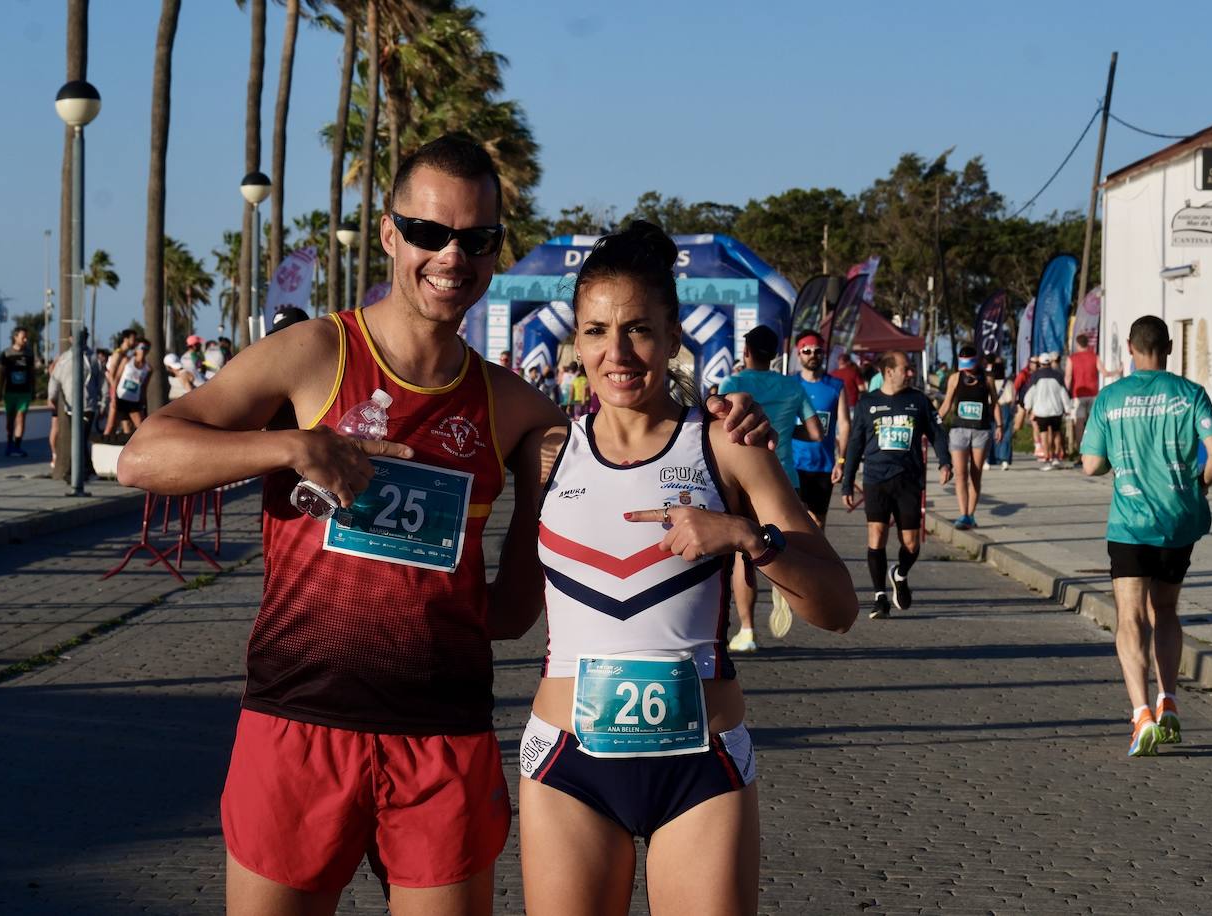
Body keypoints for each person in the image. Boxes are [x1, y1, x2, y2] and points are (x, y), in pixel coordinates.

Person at [115, 135, 771, 915]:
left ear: (496, 253)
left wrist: (725, 422)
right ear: (391, 234)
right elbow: (142, 457)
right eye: (429, 232)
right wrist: (296, 446)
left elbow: (524, 595)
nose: (450, 256)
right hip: (297, 719)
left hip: (442, 737)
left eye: (476, 239)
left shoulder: (519, 409)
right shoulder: (314, 355)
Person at [512, 221, 858, 916]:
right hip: (566, 769)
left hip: (701, 768)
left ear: (674, 337)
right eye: (596, 331)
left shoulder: (727, 443)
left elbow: (839, 606)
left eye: (639, 329)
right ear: (574, 342)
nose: (617, 352)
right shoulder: (543, 450)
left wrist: (743, 536)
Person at [1080, 316, 1212, 757]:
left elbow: (1091, 465)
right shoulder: (1190, 394)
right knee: (1165, 610)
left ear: (1129, 347)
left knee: (1130, 618)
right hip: (1178, 521)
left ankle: (1142, 714)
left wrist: (1114, 463)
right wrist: (1197, 485)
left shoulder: (1110, 399)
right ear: (1167, 346)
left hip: (1129, 524)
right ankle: (1170, 702)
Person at [718, 324, 822, 653]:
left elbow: (722, 431)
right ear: (775, 355)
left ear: (746, 353)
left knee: (743, 558)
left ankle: (747, 630)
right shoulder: (792, 386)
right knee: (784, 544)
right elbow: (817, 432)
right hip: (785, 475)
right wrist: (785, 435)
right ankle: (782, 580)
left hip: (744, 479)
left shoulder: (733, 384)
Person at [843, 350, 952, 619]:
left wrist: (945, 462)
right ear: (889, 372)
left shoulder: (919, 401)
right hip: (876, 479)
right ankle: (880, 597)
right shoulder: (868, 402)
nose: (912, 373)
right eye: (907, 368)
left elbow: (937, 433)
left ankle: (899, 574)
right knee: (876, 536)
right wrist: (847, 482)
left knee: (911, 543)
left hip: (909, 480)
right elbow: (856, 444)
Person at [937, 345, 1002, 529]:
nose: (967, 369)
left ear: (977, 360)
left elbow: (994, 403)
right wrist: (933, 422)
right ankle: (963, 513)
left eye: (970, 363)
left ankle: (970, 515)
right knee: (960, 474)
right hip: (959, 430)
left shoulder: (987, 378)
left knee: (975, 473)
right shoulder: (955, 378)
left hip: (981, 431)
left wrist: (1000, 425)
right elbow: (947, 403)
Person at [792, 330, 850, 529]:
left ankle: (815, 560)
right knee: (794, 522)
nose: (812, 356)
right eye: (807, 351)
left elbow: (844, 425)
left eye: (817, 351)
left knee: (818, 524)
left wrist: (841, 461)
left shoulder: (835, 386)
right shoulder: (790, 385)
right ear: (799, 354)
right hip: (793, 466)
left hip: (823, 466)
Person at [48, 334, 102, 483]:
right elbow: (55, 378)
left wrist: (103, 402)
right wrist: (51, 396)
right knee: (79, 439)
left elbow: (100, 380)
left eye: (84, 337)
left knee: (80, 438)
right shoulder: (65, 359)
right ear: (70, 338)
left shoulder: (92, 358)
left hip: (88, 406)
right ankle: (86, 471)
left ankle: (75, 472)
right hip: (71, 406)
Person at [1022, 352, 1070, 469]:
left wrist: (1027, 407)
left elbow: (1030, 394)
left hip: (1041, 411)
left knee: (1043, 434)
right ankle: (1056, 458)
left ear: (1040, 363)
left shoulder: (1035, 376)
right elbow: (1063, 393)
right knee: (1056, 433)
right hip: (1056, 410)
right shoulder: (1058, 375)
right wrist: (1067, 407)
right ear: (1050, 362)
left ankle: (1047, 458)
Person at [1064, 332, 1109, 449]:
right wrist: (1118, 371)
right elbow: (1104, 373)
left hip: (1078, 395)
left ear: (1077, 344)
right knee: (1092, 424)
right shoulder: (1094, 356)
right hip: (1093, 393)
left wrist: (1065, 392)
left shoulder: (1072, 358)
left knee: (1079, 423)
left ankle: (1081, 452)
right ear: (1087, 344)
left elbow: (1068, 377)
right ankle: (1094, 450)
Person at [0, 326, 37, 457]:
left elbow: (32, 373)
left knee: (21, 417)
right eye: (23, 337)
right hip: (10, 391)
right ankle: (9, 443)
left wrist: (34, 389)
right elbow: (2, 373)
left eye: (26, 337)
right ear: (15, 337)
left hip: (24, 392)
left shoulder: (29, 354)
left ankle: (17, 445)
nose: (25, 340)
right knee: (10, 420)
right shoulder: (7, 354)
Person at [106, 342, 152, 437]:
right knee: (110, 426)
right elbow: (117, 378)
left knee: (141, 428)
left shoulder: (148, 368)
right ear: (136, 349)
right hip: (120, 397)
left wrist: (144, 405)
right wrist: (113, 397)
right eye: (141, 347)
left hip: (133, 402)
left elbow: (144, 388)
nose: (143, 350)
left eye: (146, 348)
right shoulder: (127, 360)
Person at [102, 330, 139, 438]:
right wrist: (114, 395)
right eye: (133, 339)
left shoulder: (125, 355)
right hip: (114, 392)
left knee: (124, 423)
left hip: (118, 393)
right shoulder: (118, 354)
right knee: (111, 423)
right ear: (126, 339)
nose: (135, 342)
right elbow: (111, 375)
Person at [991, 356, 1015, 469]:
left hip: (991, 408)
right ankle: (1004, 459)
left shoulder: (989, 383)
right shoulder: (1008, 383)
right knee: (1005, 434)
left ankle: (990, 459)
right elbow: (1012, 399)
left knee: (992, 433)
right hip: (1005, 408)